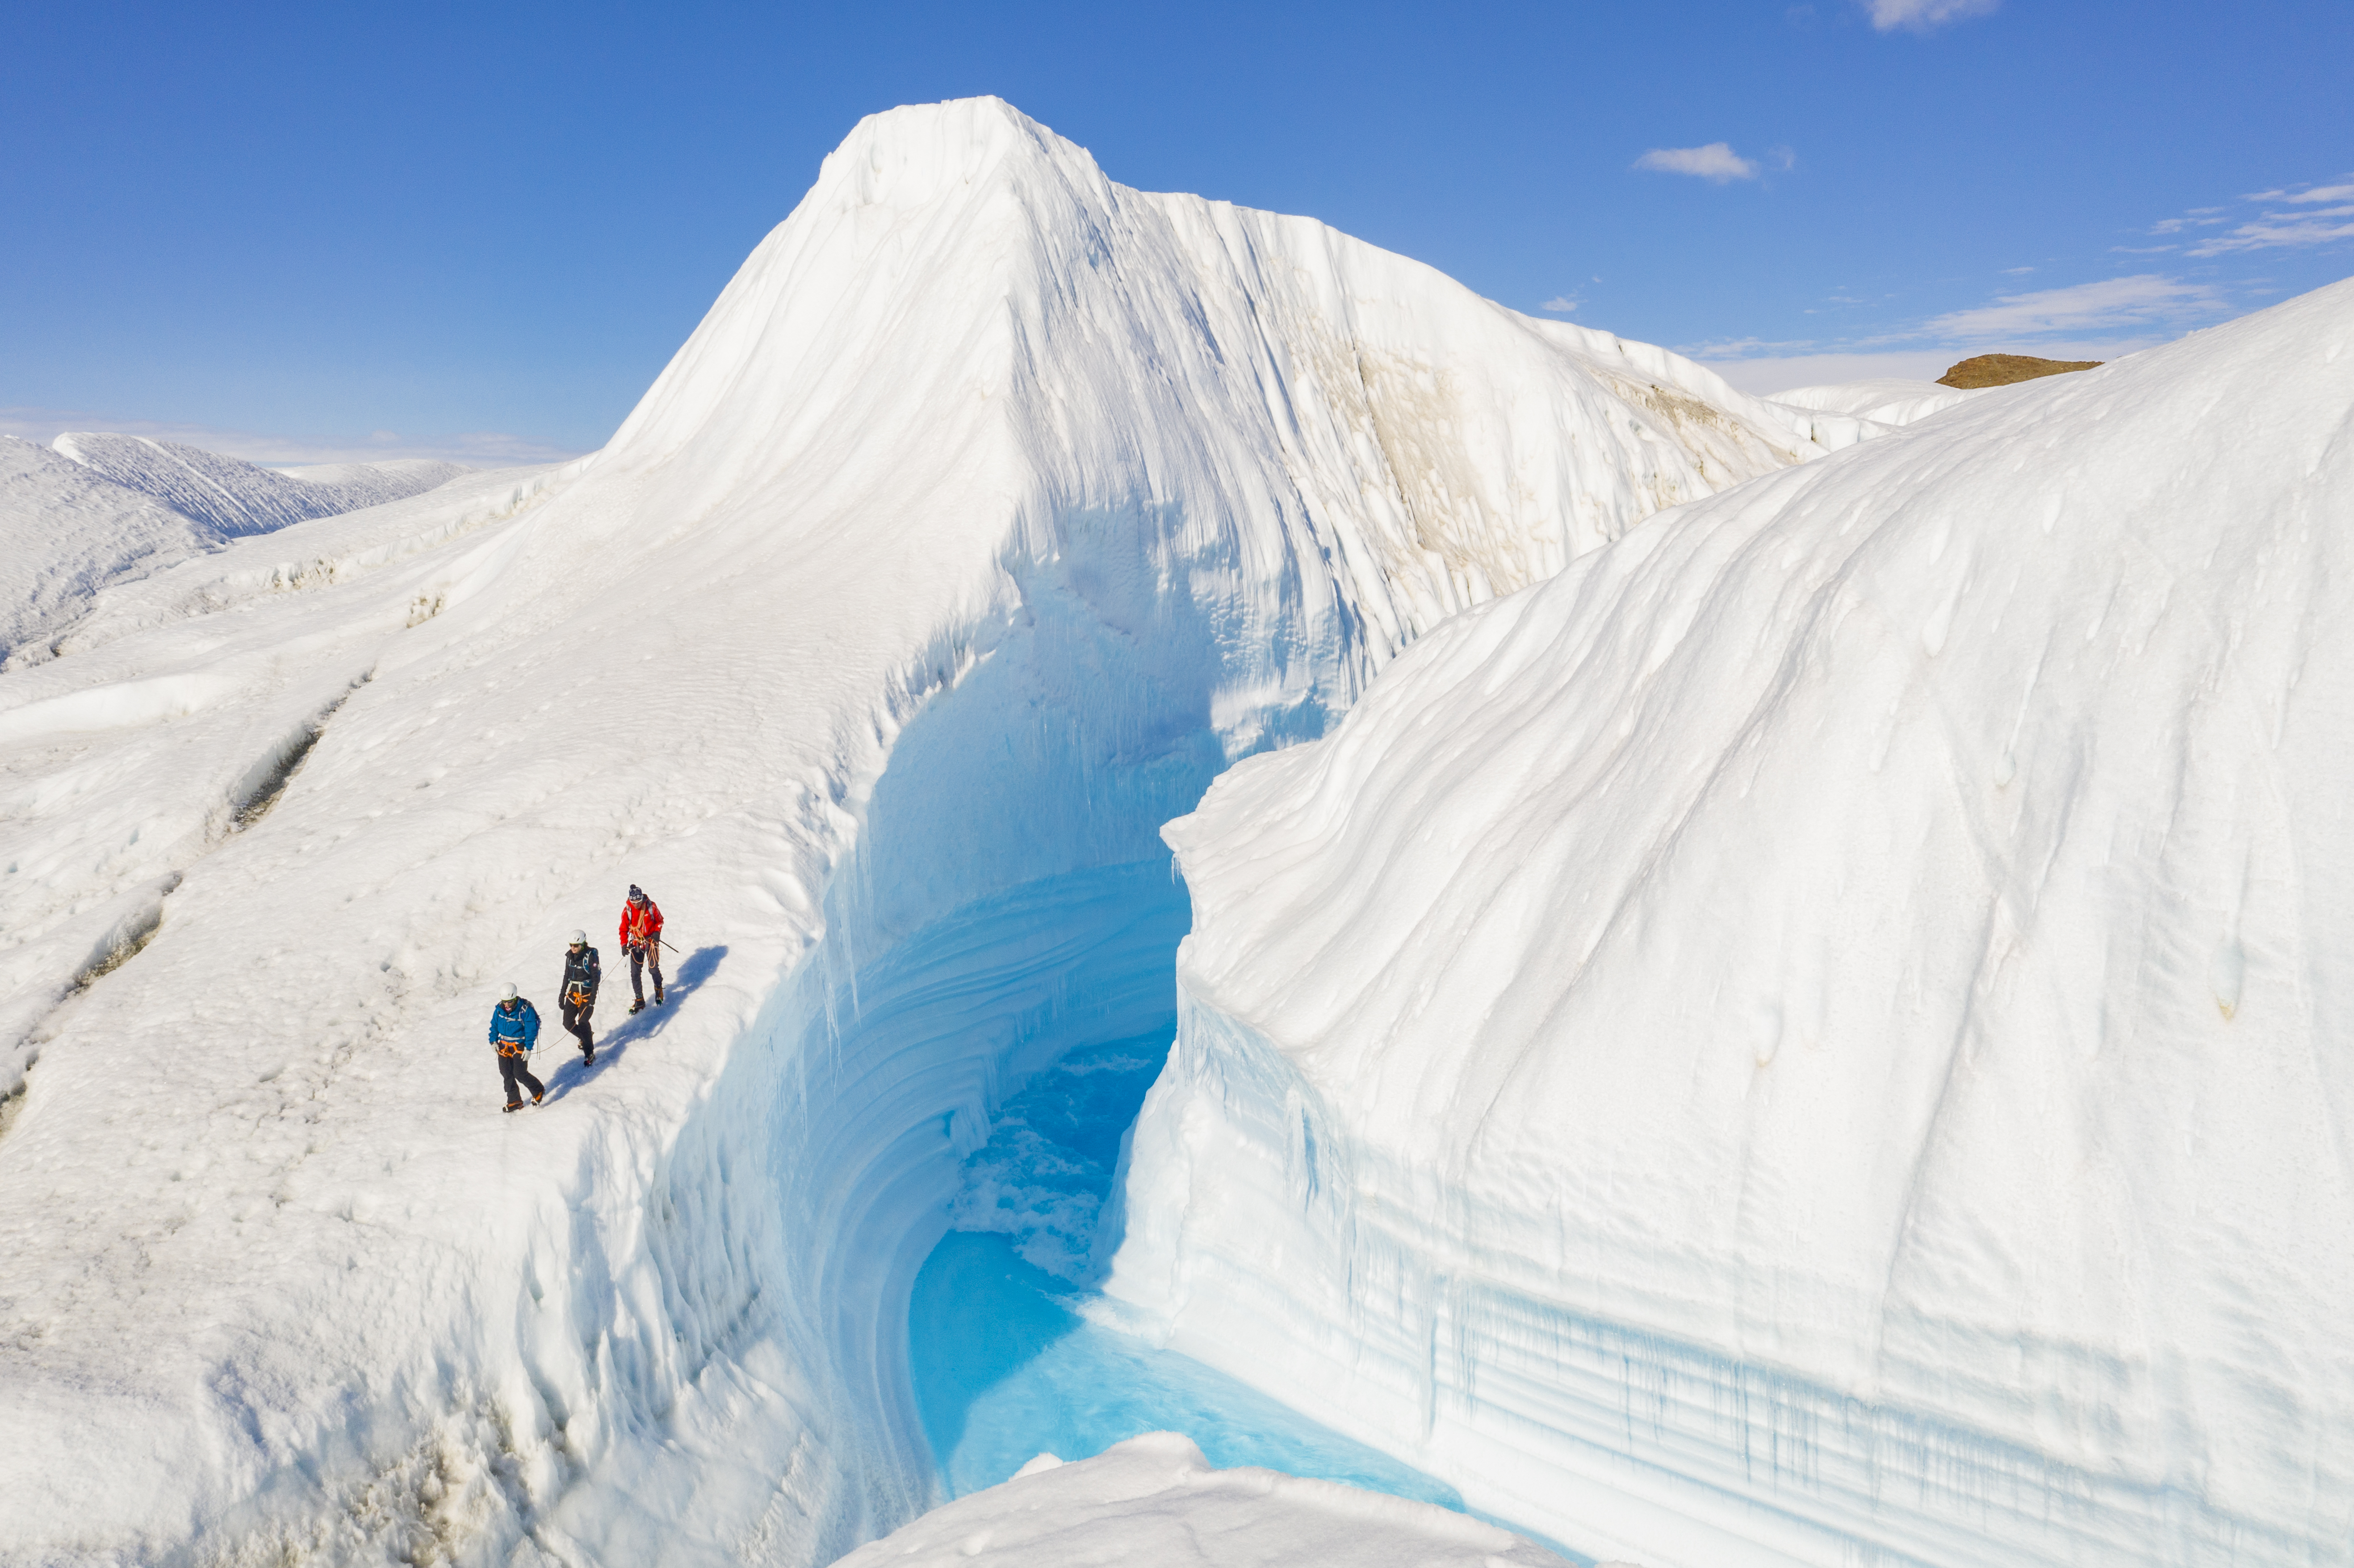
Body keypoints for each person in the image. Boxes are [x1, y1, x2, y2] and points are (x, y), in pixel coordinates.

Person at [489, 983, 543, 1112]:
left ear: (515, 998)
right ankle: (514, 1100)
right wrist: (493, 1042)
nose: (507, 1006)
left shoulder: (525, 1011)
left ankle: (538, 1090)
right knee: (506, 1073)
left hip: (520, 1045)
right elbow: (494, 1027)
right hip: (503, 1045)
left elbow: (530, 1030)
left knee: (520, 1073)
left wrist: (528, 1048)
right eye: (505, 1002)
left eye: (510, 1002)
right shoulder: (499, 1011)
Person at [619, 884, 664, 1013]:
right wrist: (624, 945)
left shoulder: (651, 906)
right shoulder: (628, 910)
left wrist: (657, 933)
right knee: (635, 973)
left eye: (638, 902)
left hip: (651, 941)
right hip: (636, 943)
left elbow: (660, 921)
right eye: (634, 902)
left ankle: (658, 988)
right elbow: (623, 929)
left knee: (653, 968)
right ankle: (640, 1000)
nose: (637, 905)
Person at [558, 929, 600, 1064]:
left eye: (576, 946)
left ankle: (589, 1053)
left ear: (583, 944)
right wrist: (562, 994)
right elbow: (567, 976)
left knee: (583, 1022)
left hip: (587, 996)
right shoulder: (570, 957)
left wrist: (592, 999)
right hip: (573, 995)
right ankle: (586, 1037)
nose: (573, 948)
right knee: (567, 1023)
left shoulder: (590, 956)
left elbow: (595, 978)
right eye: (571, 945)